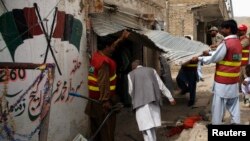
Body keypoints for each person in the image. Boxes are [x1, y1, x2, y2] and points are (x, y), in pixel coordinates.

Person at [192, 19, 242, 125]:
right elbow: (224, 55)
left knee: (218, 106)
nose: (221, 30)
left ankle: (216, 125)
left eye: (223, 28)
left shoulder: (226, 43)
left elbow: (215, 58)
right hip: (234, 80)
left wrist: (200, 58)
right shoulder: (237, 42)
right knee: (234, 106)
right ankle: (236, 124)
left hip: (223, 82)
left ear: (228, 29)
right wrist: (209, 52)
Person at [85, 30, 130, 141]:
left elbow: (112, 46)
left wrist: (121, 39)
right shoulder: (104, 62)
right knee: (106, 133)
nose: (113, 49)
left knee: (95, 132)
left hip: (93, 102)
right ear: (106, 47)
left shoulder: (96, 56)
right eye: (111, 47)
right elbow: (103, 82)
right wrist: (106, 101)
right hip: (102, 105)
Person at [127, 60, 176, 141]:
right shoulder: (152, 70)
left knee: (146, 127)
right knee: (151, 126)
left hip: (140, 105)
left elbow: (130, 91)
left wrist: (135, 100)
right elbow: (161, 85)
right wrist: (170, 98)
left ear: (133, 68)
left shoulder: (130, 74)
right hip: (153, 102)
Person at [176, 36, 199, 107]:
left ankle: (191, 101)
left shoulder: (194, 49)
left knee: (192, 85)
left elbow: (197, 58)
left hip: (192, 70)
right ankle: (185, 89)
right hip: (184, 68)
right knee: (179, 79)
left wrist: (188, 61)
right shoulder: (182, 49)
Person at [237, 24, 250, 92]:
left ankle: (247, 94)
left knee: (246, 79)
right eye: (238, 30)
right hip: (240, 63)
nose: (238, 31)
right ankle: (242, 91)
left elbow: (238, 48)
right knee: (240, 79)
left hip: (244, 64)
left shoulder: (246, 40)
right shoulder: (239, 39)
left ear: (244, 31)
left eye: (240, 30)